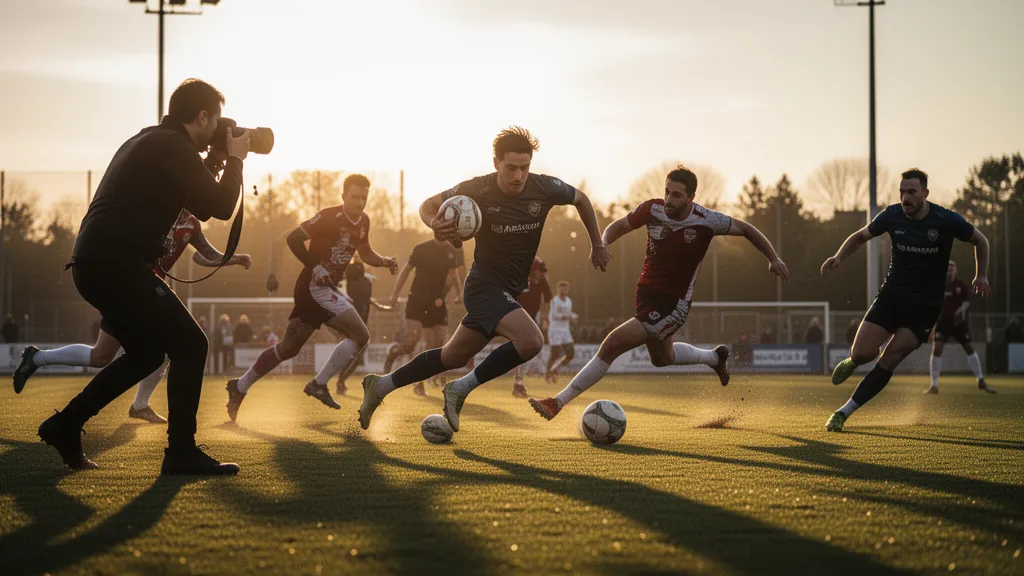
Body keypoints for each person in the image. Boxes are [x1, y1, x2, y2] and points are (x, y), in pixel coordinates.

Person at [28, 78, 250, 474]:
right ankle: (180, 453)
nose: (216, 130)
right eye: (214, 121)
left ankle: (65, 424)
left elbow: (197, 201)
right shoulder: (172, 146)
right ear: (202, 117)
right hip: (116, 265)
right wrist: (235, 159)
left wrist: (215, 159)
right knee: (192, 345)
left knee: (146, 354)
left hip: (98, 263)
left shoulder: (153, 140)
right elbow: (219, 206)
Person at [359, 126, 611, 432]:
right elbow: (427, 205)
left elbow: (581, 198)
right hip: (483, 287)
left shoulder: (544, 188)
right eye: (511, 168)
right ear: (496, 163)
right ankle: (460, 389)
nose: (518, 176)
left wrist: (597, 243)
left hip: (508, 291)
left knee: (452, 355)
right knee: (531, 341)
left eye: (524, 168)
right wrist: (433, 224)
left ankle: (380, 386)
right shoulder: (477, 188)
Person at [530, 165, 788, 421]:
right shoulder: (651, 210)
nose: (668, 199)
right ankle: (715, 357)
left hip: (673, 305)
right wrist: (601, 244)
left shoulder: (707, 220)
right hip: (646, 296)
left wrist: (773, 257)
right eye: (666, 192)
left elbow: (746, 229)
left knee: (611, 345)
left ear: (691, 198)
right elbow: (618, 226)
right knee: (662, 358)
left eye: (676, 195)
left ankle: (557, 402)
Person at [12, 208, 252, 426]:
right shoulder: (159, 209)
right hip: (131, 287)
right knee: (167, 346)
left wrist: (233, 259)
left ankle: (38, 359)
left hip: (148, 292)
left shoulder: (192, 223)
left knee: (102, 355)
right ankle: (136, 409)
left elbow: (202, 255)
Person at [822, 168, 990, 432]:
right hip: (891, 298)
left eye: (911, 192)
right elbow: (860, 236)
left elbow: (981, 241)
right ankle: (853, 360)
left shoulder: (946, 220)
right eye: (902, 192)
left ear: (925, 193)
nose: (905, 198)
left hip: (923, 310)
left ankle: (843, 412)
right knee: (863, 353)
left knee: (887, 361)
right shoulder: (891, 215)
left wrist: (981, 276)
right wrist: (839, 256)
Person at [226, 174, 397, 422]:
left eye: (364, 197)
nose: (360, 202)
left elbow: (366, 252)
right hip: (313, 288)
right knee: (360, 335)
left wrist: (384, 261)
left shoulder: (363, 221)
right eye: (354, 197)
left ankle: (240, 386)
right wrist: (317, 268)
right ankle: (319, 384)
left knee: (288, 348)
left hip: (327, 290)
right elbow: (293, 238)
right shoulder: (328, 217)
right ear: (343, 196)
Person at [381, 238, 463, 397]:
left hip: (437, 303)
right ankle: (394, 354)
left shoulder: (451, 251)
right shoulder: (421, 249)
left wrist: (460, 292)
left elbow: (453, 274)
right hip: (417, 301)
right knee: (411, 344)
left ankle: (419, 379)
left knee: (438, 345)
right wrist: (394, 295)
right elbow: (405, 272)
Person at [926, 260, 994, 394]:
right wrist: (932, 324)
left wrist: (959, 311)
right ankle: (934, 385)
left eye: (952, 268)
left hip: (958, 322)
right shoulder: (938, 285)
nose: (950, 270)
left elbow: (966, 303)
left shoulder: (961, 286)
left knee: (969, 348)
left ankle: (980, 380)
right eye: (948, 268)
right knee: (937, 349)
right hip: (943, 322)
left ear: (955, 271)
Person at [510, 257, 552, 397]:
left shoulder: (542, 279)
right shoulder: (519, 275)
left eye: (542, 272)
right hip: (519, 315)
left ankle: (518, 383)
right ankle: (518, 383)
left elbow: (547, 298)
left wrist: (545, 318)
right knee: (524, 349)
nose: (541, 274)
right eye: (539, 271)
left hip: (533, 317)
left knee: (531, 349)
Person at [545, 280, 577, 383]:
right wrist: (567, 316)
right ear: (557, 290)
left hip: (565, 330)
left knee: (570, 353)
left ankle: (555, 368)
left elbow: (568, 313)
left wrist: (572, 316)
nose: (563, 290)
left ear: (568, 290)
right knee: (554, 354)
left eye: (565, 288)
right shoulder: (554, 300)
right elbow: (554, 315)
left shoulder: (569, 300)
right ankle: (547, 374)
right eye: (561, 288)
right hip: (555, 329)